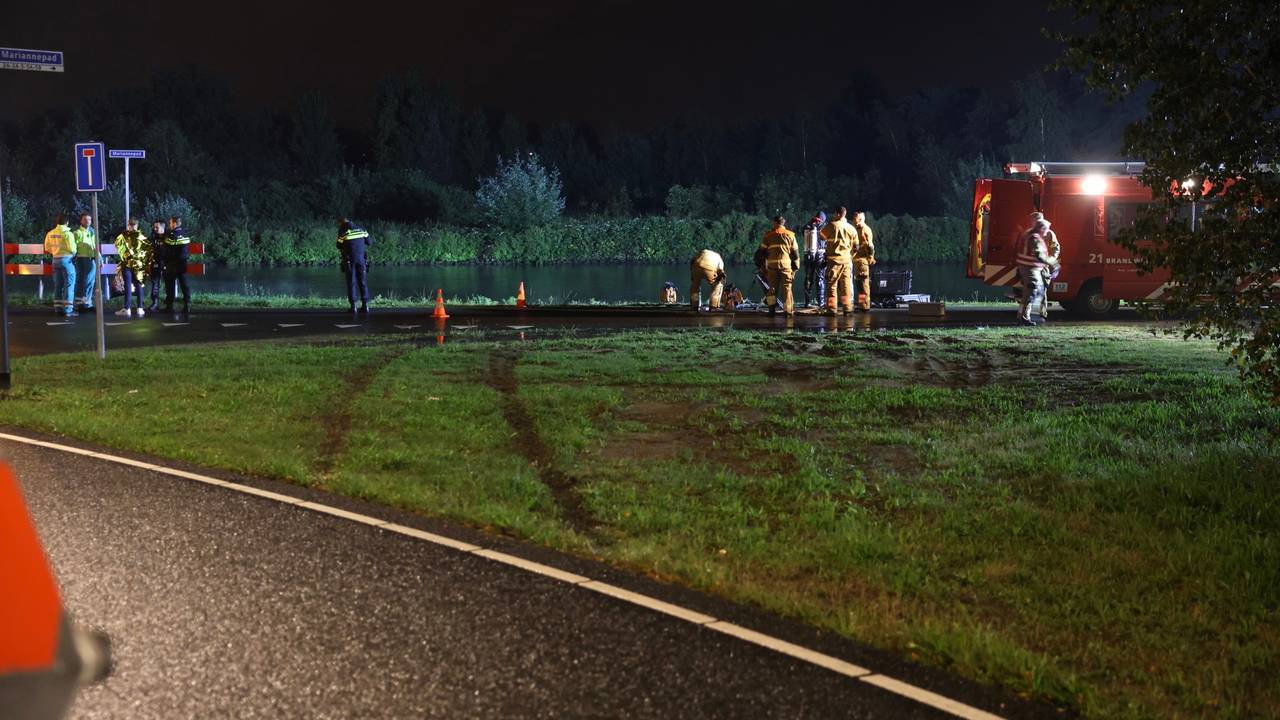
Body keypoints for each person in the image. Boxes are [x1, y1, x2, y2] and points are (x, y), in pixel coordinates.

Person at [755, 215, 799, 316]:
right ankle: (788, 312)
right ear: (783, 223)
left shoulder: (768, 236)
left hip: (772, 267)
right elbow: (796, 255)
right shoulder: (791, 235)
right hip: (786, 267)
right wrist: (795, 268)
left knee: (771, 290)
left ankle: (771, 311)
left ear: (775, 223)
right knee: (787, 289)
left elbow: (761, 252)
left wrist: (760, 265)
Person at [819, 206, 857, 314]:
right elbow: (856, 247)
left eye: (835, 214)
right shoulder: (851, 228)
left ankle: (831, 310)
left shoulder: (831, 225)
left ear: (838, 214)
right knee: (846, 288)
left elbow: (821, 236)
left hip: (834, 262)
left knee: (832, 287)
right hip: (846, 262)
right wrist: (850, 257)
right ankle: (847, 309)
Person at [1016, 218, 1054, 325]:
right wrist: (1054, 263)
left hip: (1028, 268)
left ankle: (1022, 316)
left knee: (1028, 293)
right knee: (1030, 292)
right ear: (1042, 229)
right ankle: (1024, 318)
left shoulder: (1027, 234)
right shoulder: (1035, 238)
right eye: (1046, 229)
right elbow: (1039, 254)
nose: (1047, 232)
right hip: (1030, 269)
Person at [42, 214, 78, 317]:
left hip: (55, 260)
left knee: (58, 285)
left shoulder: (50, 233)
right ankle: (68, 309)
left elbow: (47, 248)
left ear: (57, 222)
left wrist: (55, 251)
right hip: (66, 260)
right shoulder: (67, 233)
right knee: (69, 285)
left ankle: (57, 308)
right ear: (67, 222)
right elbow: (73, 249)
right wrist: (73, 253)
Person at [114, 218, 150, 317]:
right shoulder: (142, 237)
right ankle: (140, 308)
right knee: (138, 284)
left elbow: (117, 247)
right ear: (137, 225)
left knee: (128, 286)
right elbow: (147, 251)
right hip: (138, 265)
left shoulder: (122, 236)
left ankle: (127, 308)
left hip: (127, 263)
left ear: (128, 225)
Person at [336, 218, 372, 313]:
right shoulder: (362, 229)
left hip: (349, 260)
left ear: (342, 224)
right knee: (363, 282)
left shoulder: (343, 232)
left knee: (351, 282)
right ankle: (365, 306)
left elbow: (338, 245)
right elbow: (369, 242)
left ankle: (353, 307)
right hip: (362, 260)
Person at [1030, 212, 1062, 318]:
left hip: (1042, 266)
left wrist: (1051, 260)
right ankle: (1029, 314)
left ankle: (1041, 313)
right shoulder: (1030, 233)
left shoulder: (1048, 233)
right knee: (1030, 290)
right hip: (1031, 266)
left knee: (1042, 290)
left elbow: (1055, 248)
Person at [163, 216, 191, 315]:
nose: (169, 225)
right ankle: (187, 304)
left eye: (170, 223)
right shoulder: (185, 233)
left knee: (170, 285)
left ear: (174, 223)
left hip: (173, 264)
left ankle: (169, 305)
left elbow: (166, 246)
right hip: (183, 263)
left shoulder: (172, 235)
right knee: (184, 284)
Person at [70, 212, 97, 312]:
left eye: (89, 219)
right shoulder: (77, 233)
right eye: (85, 219)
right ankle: (78, 303)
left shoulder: (92, 232)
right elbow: (73, 247)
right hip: (82, 259)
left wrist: (100, 258)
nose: (88, 221)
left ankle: (87, 303)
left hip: (92, 259)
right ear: (81, 220)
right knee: (81, 282)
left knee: (91, 282)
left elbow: (95, 246)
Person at [852, 212, 876, 312]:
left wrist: (870, 257)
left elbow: (870, 246)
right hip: (857, 261)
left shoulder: (865, 230)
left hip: (863, 262)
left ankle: (865, 306)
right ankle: (862, 304)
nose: (854, 222)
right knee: (859, 285)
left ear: (861, 219)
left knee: (863, 285)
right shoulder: (857, 230)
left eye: (856, 220)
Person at [801, 212, 827, 308]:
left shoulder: (826, 228)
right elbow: (802, 231)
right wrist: (810, 222)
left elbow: (828, 242)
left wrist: (826, 257)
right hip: (811, 255)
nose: (817, 222)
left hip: (819, 255)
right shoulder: (809, 226)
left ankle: (819, 302)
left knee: (818, 279)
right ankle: (810, 302)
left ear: (823, 220)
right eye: (816, 219)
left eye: (819, 220)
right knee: (809, 279)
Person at [146, 220, 167, 312]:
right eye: (154, 227)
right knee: (155, 283)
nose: (154, 229)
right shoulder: (153, 237)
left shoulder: (168, 237)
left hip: (167, 262)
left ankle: (169, 304)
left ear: (162, 228)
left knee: (169, 283)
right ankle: (155, 303)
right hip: (155, 262)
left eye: (156, 227)